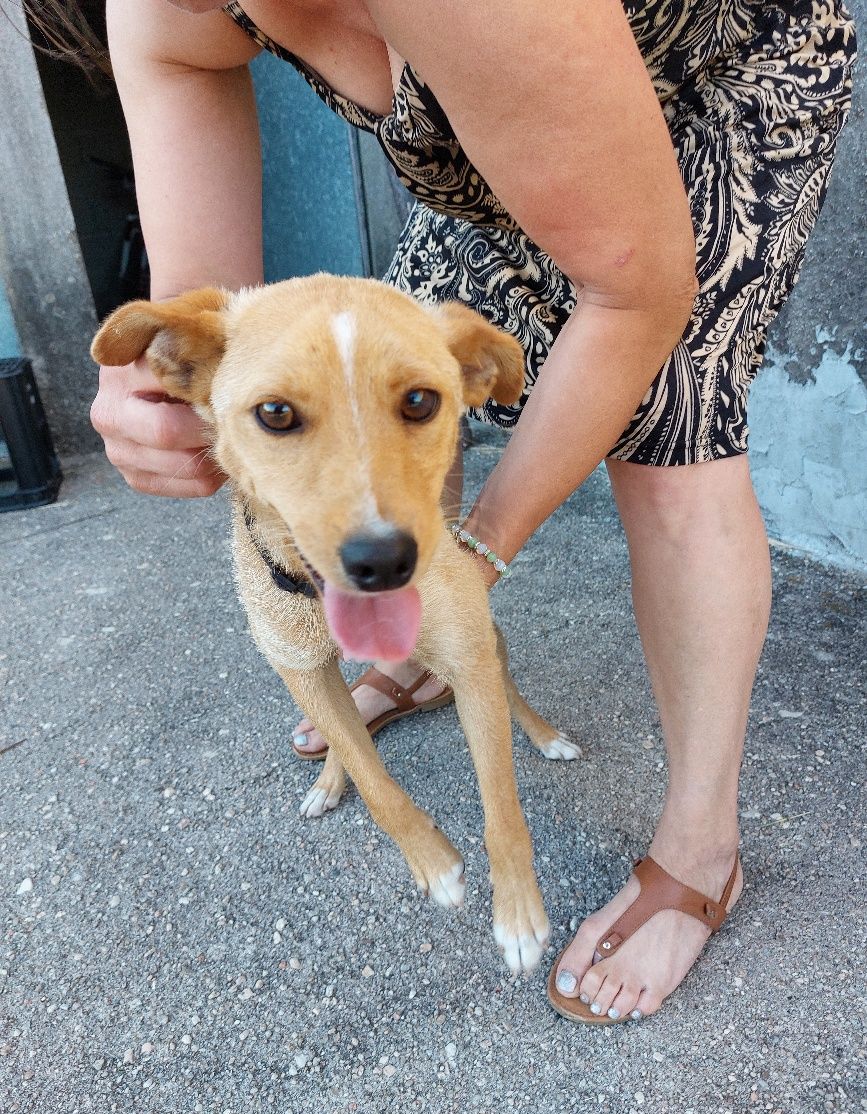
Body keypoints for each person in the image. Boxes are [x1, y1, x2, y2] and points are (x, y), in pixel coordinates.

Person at [71, 0, 854, 1021]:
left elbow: (635, 293)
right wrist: (167, 398)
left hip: (715, 88)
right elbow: (204, 324)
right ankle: (418, 642)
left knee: (672, 440)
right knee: (377, 352)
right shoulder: (163, 8)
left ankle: (703, 850)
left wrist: (474, 549)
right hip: (486, 136)